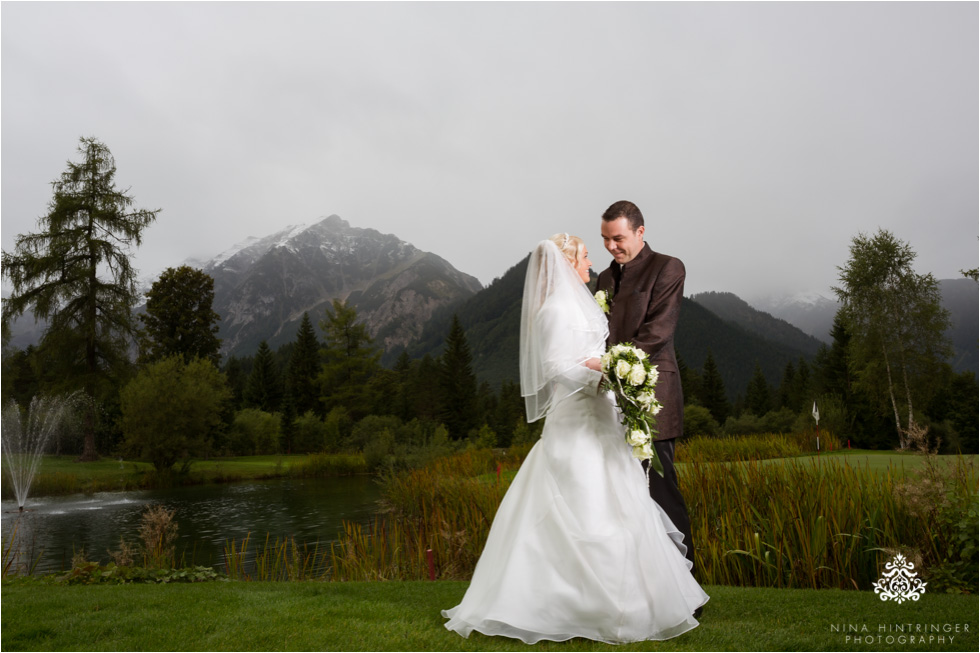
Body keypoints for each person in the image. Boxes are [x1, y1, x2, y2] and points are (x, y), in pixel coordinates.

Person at [441, 234, 707, 644]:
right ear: (567, 263)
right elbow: (557, 367)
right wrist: (607, 373)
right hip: (577, 418)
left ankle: (624, 602)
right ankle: (572, 604)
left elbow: (588, 352)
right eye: (584, 256)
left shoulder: (581, 301)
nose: (591, 263)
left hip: (600, 418)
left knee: (621, 504)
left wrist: (611, 371)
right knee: (587, 504)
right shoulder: (554, 310)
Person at [596, 200, 695, 569]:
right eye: (605, 239)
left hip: (654, 395)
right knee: (620, 492)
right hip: (610, 398)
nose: (611, 247)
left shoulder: (669, 267)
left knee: (660, 488)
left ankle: (687, 586)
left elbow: (658, 332)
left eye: (618, 238)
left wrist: (608, 365)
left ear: (640, 232)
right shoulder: (604, 279)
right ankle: (641, 585)